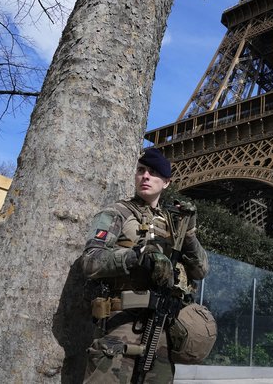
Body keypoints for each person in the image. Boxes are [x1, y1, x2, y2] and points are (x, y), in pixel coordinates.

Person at [81, 148, 210, 383]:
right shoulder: (116, 213)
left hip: (162, 329)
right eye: (141, 170)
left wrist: (188, 233)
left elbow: (200, 271)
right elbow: (90, 261)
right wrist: (137, 256)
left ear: (166, 182)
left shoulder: (173, 225)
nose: (145, 176)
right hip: (120, 327)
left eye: (153, 172)